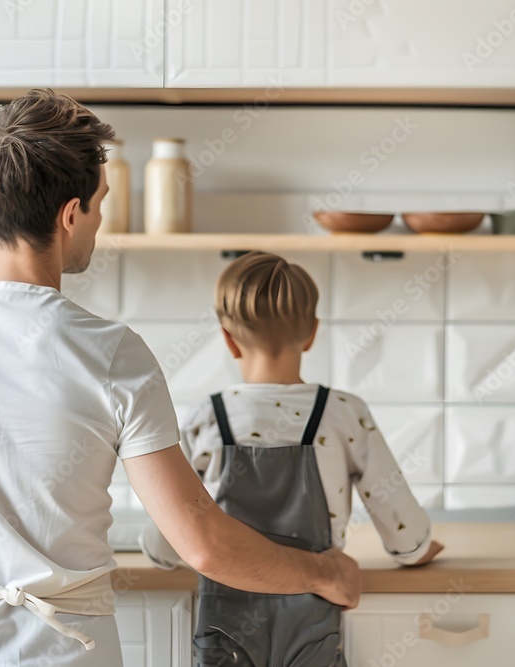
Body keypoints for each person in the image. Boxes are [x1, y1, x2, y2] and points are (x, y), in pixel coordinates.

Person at [0, 89, 360, 667]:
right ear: (69, 214)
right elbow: (203, 544)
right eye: (100, 202)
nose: (101, 219)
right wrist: (322, 570)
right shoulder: (113, 353)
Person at [141, 251, 444, 667]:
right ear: (312, 333)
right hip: (313, 630)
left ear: (228, 339)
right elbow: (405, 536)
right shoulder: (343, 412)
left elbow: (164, 548)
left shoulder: (207, 417)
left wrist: (152, 549)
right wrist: (421, 548)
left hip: (224, 635)